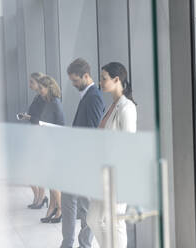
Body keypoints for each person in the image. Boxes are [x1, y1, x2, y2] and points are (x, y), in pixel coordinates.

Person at [87, 62, 137, 248]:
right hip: (104, 173)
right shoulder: (113, 106)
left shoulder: (127, 107)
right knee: (93, 218)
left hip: (117, 175)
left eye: (104, 78)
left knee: (115, 222)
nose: (100, 82)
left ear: (117, 80)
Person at [61, 58, 105, 248]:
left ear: (86, 76)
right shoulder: (88, 95)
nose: (73, 84)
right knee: (70, 201)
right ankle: (69, 244)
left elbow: (93, 133)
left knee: (85, 206)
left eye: (75, 80)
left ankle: (83, 244)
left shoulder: (94, 96)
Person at [37, 75, 65, 223]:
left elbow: (60, 126)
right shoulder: (47, 102)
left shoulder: (55, 103)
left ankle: (60, 209)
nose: (39, 91)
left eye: (41, 88)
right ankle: (53, 207)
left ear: (49, 88)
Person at [23, 72, 48, 209]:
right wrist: (28, 117)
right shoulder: (37, 97)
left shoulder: (44, 99)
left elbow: (41, 119)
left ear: (39, 83)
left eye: (31, 82)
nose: (29, 84)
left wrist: (29, 118)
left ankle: (41, 197)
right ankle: (39, 196)